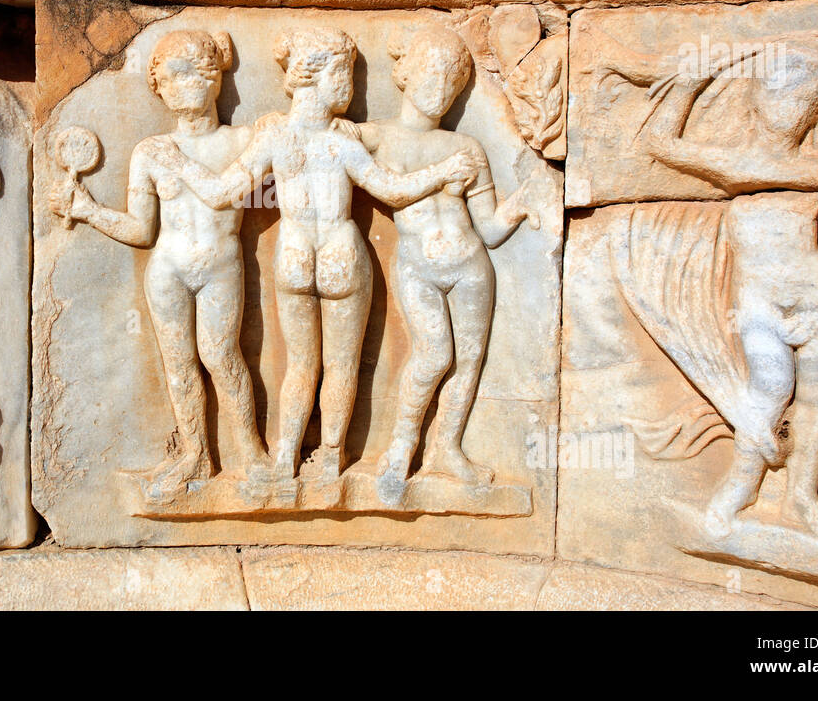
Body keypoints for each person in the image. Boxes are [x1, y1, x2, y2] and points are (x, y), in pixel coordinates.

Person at [598, 30, 818, 541]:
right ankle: (741, 486)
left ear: (817, 109)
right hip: (757, 303)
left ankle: (803, 499)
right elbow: (658, 144)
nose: (794, 108)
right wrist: (688, 84)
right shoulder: (735, 161)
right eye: (782, 92)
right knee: (771, 386)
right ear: (758, 97)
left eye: (807, 99)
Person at [151, 26, 480, 486]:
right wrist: (444, 171)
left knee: (301, 366)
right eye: (343, 71)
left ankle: (286, 455)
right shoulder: (341, 142)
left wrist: (180, 163)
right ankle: (330, 455)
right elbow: (391, 190)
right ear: (315, 74)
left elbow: (223, 192)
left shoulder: (274, 137)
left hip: (294, 254)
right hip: (340, 253)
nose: (348, 82)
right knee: (340, 365)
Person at [61, 30, 268, 500]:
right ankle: (196, 453)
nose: (184, 85)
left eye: (195, 72)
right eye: (171, 78)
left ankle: (252, 453)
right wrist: (87, 210)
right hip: (168, 270)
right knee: (178, 364)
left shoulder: (241, 141)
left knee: (220, 355)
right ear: (158, 89)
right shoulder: (150, 151)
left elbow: (254, 192)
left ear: (215, 76)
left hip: (220, 265)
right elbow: (142, 231)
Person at [359, 25, 540, 500]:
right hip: (418, 266)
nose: (440, 91)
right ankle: (401, 448)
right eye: (432, 76)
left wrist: (523, 202)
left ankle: (448, 448)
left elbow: (492, 230)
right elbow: (377, 183)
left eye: (452, 84)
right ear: (406, 73)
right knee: (435, 354)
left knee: (470, 360)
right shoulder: (377, 138)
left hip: (471, 264)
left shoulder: (467, 149)